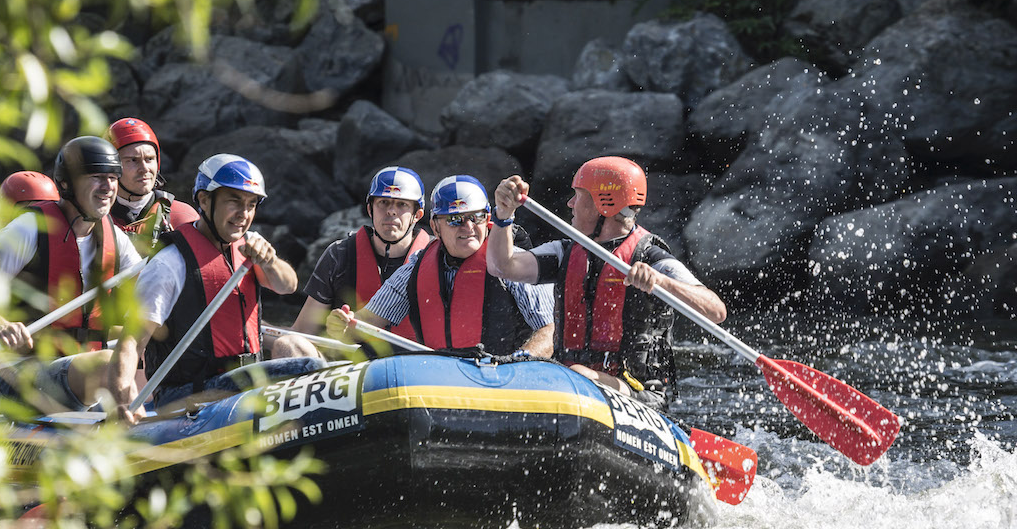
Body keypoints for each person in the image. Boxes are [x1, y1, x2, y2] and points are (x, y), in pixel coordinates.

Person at [487, 156, 726, 410]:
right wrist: (504, 215)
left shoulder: (650, 257)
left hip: (638, 392)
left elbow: (716, 311)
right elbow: (503, 266)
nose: (570, 203)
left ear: (605, 205)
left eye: (577, 196)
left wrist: (661, 282)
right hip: (571, 381)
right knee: (563, 373)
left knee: (576, 373)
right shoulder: (565, 252)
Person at [109, 153, 323, 423]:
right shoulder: (169, 263)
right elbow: (131, 342)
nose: (243, 214)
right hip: (187, 392)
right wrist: (122, 400)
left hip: (240, 378)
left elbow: (288, 286)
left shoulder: (248, 248)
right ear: (204, 200)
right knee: (308, 367)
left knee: (294, 345)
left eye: (251, 204)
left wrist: (269, 260)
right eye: (234, 201)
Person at [0, 137, 142, 412]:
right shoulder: (28, 229)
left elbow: (151, 289)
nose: (108, 187)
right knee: (109, 363)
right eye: (96, 177)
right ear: (66, 183)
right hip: (24, 373)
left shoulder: (114, 238)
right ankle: (139, 436)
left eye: (113, 177)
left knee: (143, 359)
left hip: (78, 369)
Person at [327, 175, 555, 357]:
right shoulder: (415, 269)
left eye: (475, 217)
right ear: (435, 228)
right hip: (441, 383)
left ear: (487, 220)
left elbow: (550, 331)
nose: (467, 227)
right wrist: (344, 324)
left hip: (505, 378)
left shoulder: (514, 262)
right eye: (455, 219)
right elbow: (365, 322)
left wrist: (519, 362)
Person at [292, 165, 431, 340]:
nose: (391, 211)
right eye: (383, 202)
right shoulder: (339, 255)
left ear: (417, 215)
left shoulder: (436, 257)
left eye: (402, 204)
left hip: (415, 361)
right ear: (370, 209)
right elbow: (303, 332)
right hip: (350, 363)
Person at [104, 117, 199, 251]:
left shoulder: (184, 217)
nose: (144, 168)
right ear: (111, 167)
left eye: (149, 159)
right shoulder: (93, 222)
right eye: (133, 160)